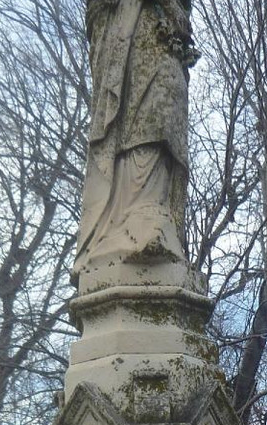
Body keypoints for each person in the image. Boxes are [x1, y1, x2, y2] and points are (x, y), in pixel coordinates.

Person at [77, 0, 198, 278]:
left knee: (165, 113)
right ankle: (129, 220)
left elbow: (183, 18)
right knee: (141, 118)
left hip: (165, 46)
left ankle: (157, 215)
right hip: (130, 41)